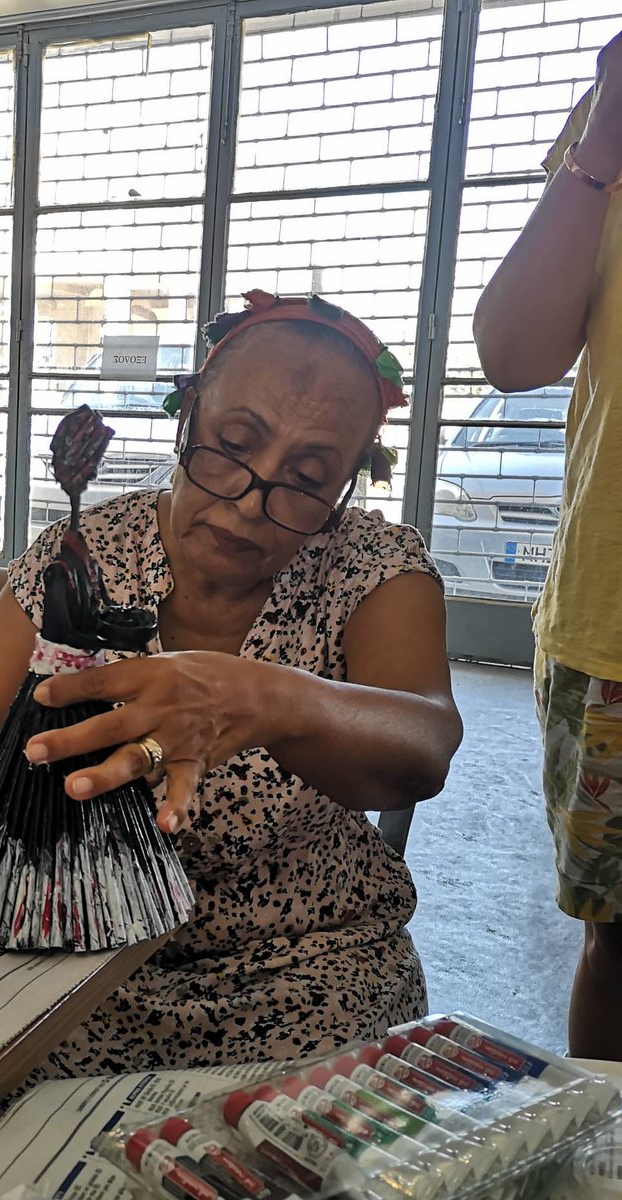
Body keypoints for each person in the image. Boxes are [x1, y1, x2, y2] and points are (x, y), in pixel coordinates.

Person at [0, 290, 463, 1070]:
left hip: (307, 969)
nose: (250, 501)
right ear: (187, 414)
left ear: (346, 488)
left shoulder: (373, 565)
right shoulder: (82, 557)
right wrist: (73, 803)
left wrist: (262, 699)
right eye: (233, 443)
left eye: (306, 477)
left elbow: (424, 746)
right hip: (83, 953)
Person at [474, 32, 622, 1062]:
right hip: (612, 626)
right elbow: (514, 351)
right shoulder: (604, 116)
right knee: (619, 944)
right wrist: (600, 148)